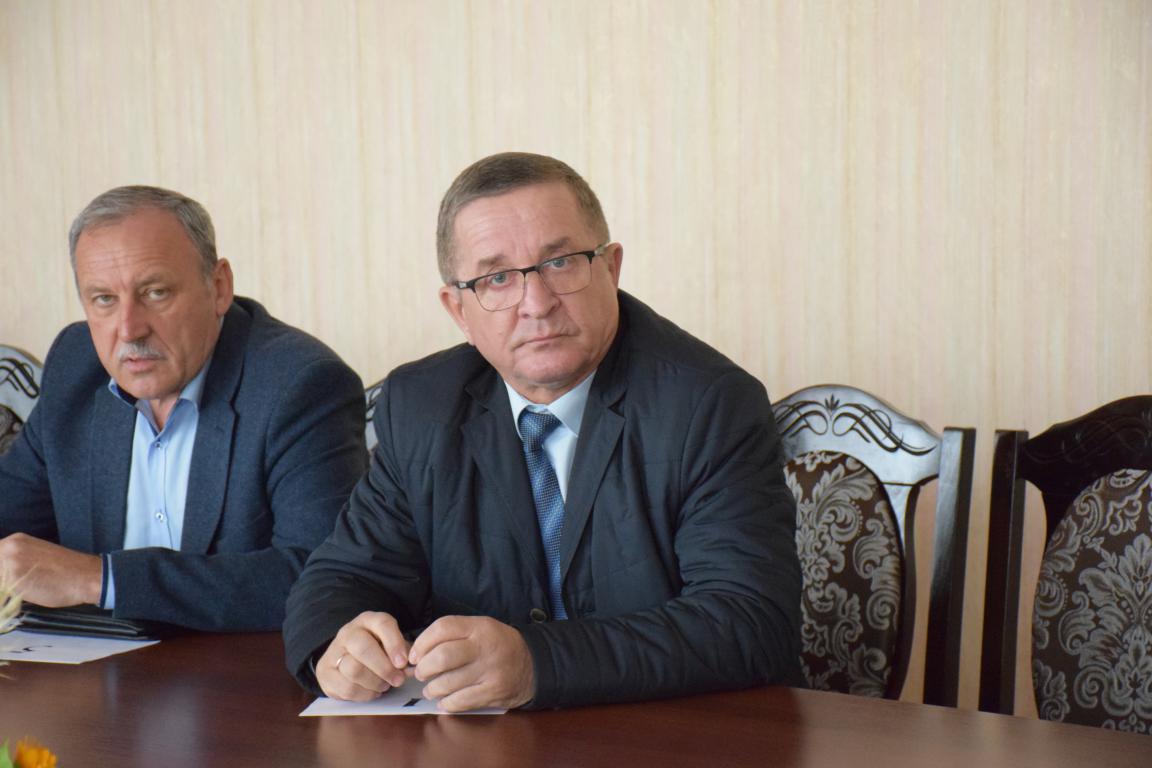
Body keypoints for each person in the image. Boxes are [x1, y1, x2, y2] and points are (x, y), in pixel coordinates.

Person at [283, 153, 800, 710]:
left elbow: (750, 621)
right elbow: (341, 575)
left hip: (673, 734)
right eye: (497, 278)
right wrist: (338, 645)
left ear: (611, 268)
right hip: (480, 741)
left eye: (561, 263)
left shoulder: (709, 404)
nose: (536, 304)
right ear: (458, 310)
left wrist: (538, 662)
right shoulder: (421, 405)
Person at [0, 186, 367, 632]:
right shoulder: (77, 366)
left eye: (155, 293)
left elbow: (319, 577)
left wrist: (100, 579)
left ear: (219, 287)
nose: (129, 329)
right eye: (104, 300)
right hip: (91, 664)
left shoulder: (299, 385)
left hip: (239, 668)